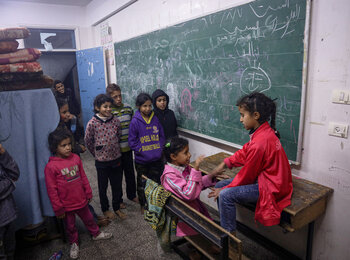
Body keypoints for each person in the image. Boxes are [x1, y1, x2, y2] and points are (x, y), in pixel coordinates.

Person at [208, 92, 293, 235]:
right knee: (219, 185)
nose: (241, 119)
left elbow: (247, 175)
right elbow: (246, 152)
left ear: (256, 116)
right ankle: (226, 227)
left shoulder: (260, 142)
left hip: (271, 186)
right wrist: (226, 163)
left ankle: (228, 239)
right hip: (268, 179)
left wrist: (227, 188)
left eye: (243, 115)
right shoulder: (263, 131)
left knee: (225, 194)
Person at [45, 128, 113, 259]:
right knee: (70, 226)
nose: (68, 147)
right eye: (63, 145)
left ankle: (96, 234)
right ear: (55, 147)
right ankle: (74, 243)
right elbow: (52, 190)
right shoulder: (51, 167)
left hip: (81, 200)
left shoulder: (76, 158)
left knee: (89, 219)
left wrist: (88, 192)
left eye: (69, 144)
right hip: (66, 205)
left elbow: (83, 177)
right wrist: (58, 208)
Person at [56, 98, 110, 227]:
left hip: (74, 161)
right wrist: (77, 147)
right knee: (74, 193)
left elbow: (76, 134)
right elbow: (64, 144)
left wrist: (73, 122)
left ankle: (93, 218)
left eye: (68, 110)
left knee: (80, 190)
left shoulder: (67, 123)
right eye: (64, 112)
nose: (68, 114)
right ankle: (92, 219)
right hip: (65, 166)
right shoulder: (56, 129)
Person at [161, 137, 224, 237]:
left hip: (193, 209)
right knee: (200, 232)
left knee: (207, 227)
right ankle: (194, 248)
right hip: (185, 215)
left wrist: (212, 174)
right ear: (173, 156)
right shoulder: (169, 176)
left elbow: (195, 184)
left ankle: (202, 244)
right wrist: (196, 169)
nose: (189, 155)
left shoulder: (184, 168)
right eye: (186, 153)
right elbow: (188, 194)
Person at [84, 94, 126, 220]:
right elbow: (88, 141)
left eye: (110, 106)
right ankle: (105, 209)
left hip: (116, 159)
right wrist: (97, 153)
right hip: (101, 162)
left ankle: (116, 207)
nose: (108, 109)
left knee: (117, 185)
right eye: (105, 106)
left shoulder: (116, 121)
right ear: (97, 107)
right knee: (103, 187)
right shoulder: (92, 123)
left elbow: (118, 136)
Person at [128, 93, 165, 214]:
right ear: (138, 106)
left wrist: (159, 149)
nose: (148, 109)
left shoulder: (155, 118)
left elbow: (161, 136)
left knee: (157, 181)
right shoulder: (135, 121)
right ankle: (143, 205)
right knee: (142, 184)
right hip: (142, 161)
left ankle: (157, 203)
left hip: (156, 159)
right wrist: (142, 151)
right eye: (144, 106)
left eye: (149, 106)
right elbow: (132, 142)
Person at [106, 84, 138, 209]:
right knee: (117, 177)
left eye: (120, 96)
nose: (118, 99)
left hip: (128, 149)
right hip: (116, 152)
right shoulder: (109, 112)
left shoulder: (128, 109)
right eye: (115, 97)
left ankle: (131, 194)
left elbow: (134, 127)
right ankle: (118, 199)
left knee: (130, 173)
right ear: (109, 98)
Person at [0, 144, 20, 260]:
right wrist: (10, 182)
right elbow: (12, 179)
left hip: (8, 215)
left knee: (10, 249)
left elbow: (15, 174)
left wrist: (3, 153)